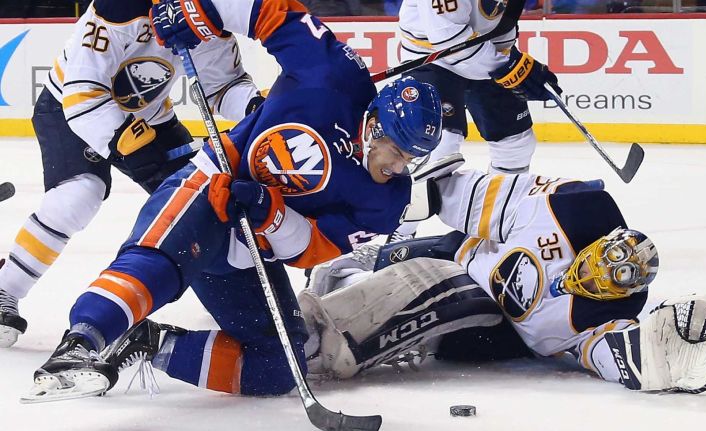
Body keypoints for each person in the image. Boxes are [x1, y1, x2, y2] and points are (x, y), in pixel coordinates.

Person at [23, 0, 443, 402]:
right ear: (373, 126)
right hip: (211, 184)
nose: (399, 167)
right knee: (160, 264)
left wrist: (270, 214)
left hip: (249, 248)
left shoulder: (387, 200)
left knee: (279, 364)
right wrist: (198, 8)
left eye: (411, 158)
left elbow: (315, 248)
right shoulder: (332, 72)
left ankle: (152, 343)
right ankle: (79, 345)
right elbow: (270, 9)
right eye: (397, 151)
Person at [297, 167, 706, 393]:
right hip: (460, 250)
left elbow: (627, 357)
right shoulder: (573, 210)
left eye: (605, 279)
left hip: (490, 329)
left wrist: (666, 355)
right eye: (597, 259)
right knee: (352, 263)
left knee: (439, 287)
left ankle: (319, 344)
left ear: (621, 293)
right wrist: (426, 193)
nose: (590, 274)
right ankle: (313, 301)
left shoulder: (605, 319)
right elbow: (486, 198)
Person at [0, 0, 263, 348]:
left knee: (201, 205)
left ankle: (235, 304)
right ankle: (6, 288)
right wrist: (130, 147)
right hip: (70, 107)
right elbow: (82, 93)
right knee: (79, 194)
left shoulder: (207, 13)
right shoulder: (119, 6)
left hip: (150, 118)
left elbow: (222, 86)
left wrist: (256, 107)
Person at [388, 0, 563, 243]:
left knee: (516, 144)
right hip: (432, 58)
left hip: (485, 52)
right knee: (439, 147)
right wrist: (510, 69)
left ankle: (493, 223)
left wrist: (518, 67)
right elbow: (450, 43)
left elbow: (502, 22)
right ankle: (399, 235)